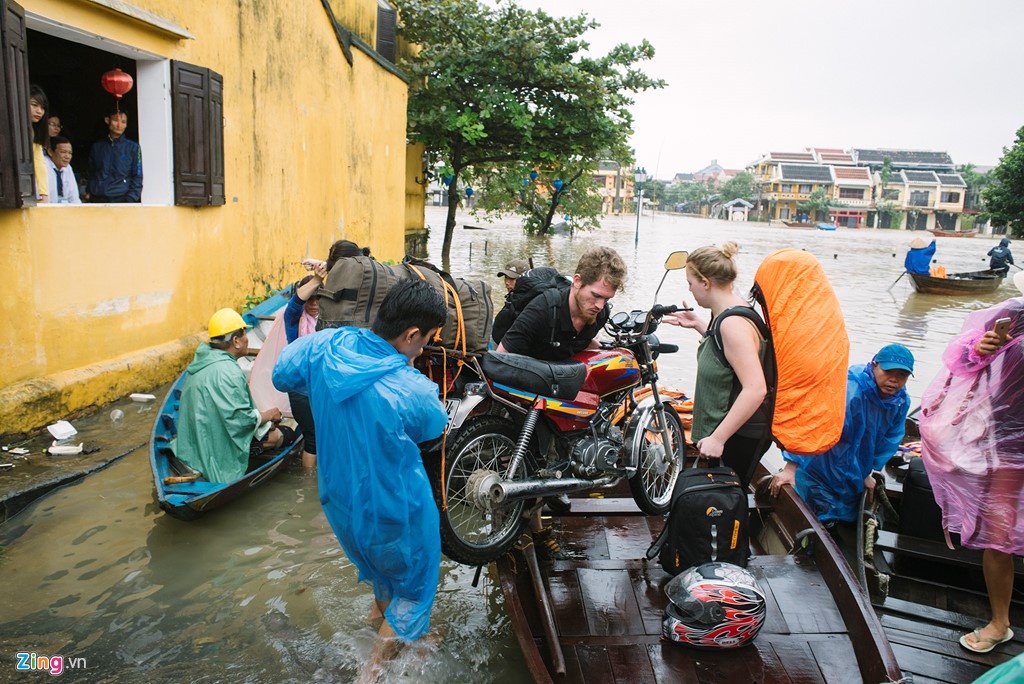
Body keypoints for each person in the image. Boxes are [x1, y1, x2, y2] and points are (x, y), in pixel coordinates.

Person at [272, 280, 448, 680]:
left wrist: (322, 388)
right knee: (416, 587)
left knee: (383, 571)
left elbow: (282, 374)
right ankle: (371, 672)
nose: (422, 351)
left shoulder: (326, 346)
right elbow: (431, 428)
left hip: (340, 502)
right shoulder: (412, 389)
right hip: (393, 508)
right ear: (410, 335)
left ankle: (379, 626)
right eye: (425, 343)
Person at [496, 246, 628, 556]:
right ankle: (529, 531)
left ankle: (553, 492)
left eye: (606, 299)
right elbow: (502, 357)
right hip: (523, 382)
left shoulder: (599, 314)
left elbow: (585, 343)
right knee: (532, 461)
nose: (599, 305)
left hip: (558, 385)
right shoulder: (543, 310)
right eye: (595, 295)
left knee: (556, 457)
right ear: (577, 281)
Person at [920, 271, 1024, 655]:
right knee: (999, 536)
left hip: (1007, 446)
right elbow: (959, 358)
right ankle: (1000, 623)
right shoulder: (1013, 313)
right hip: (1005, 448)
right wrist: (984, 346)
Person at [770, 345, 913, 528]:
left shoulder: (900, 402)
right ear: (875, 365)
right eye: (888, 371)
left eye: (902, 375)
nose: (894, 380)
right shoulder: (849, 390)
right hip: (819, 464)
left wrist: (867, 473)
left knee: (841, 518)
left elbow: (889, 440)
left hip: (854, 470)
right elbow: (813, 424)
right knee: (806, 518)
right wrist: (791, 467)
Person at [663, 242, 769, 488]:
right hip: (729, 434)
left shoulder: (732, 325)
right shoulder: (732, 310)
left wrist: (718, 439)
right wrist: (699, 325)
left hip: (737, 436)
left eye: (690, 283)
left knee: (723, 507)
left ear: (705, 283)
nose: (689, 290)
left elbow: (756, 389)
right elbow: (727, 358)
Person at [174, 308, 292, 483]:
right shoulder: (230, 372)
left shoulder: (199, 362)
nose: (247, 339)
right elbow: (242, 422)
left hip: (195, 441)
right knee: (286, 434)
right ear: (236, 341)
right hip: (217, 444)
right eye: (245, 335)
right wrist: (268, 416)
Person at [86, 110, 143, 203]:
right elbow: (91, 172)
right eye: (116, 120)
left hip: (121, 198)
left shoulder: (133, 147)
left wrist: (131, 198)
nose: (119, 125)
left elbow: (137, 175)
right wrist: (89, 190)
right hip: (97, 198)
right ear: (107, 120)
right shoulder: (97, 147)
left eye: (123, 122)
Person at [491, 258, 530, 345]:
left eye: (512, 279)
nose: (507, 283)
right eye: (506, 278)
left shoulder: (528, 302)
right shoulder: (512, 298)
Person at [44, 136, 82, 204]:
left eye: (70, 153)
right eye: (63, 152)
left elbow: (74, 198)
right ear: (50, 152)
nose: (67, 156)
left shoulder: (67, 168)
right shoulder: (43, 165)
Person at [29, 85, 50, 202]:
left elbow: (38, 161)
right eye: (34, 105)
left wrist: (44, 194)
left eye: (43, 108)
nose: (39, 111)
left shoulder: (33, 131)